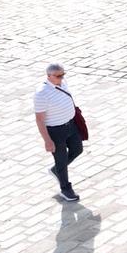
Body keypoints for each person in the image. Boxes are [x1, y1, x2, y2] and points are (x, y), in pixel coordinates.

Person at [34, 63, 82, 202]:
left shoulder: (62, 83)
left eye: (63, 75)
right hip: (56, 131)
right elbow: (39, 119)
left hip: (71, 125)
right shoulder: (42, 93)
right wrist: (47, 140)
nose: (61, 78)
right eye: (58, 76)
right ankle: (65, 189)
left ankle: (56, 170)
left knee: (77, 149)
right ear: (48, 76)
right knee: (61, 160)